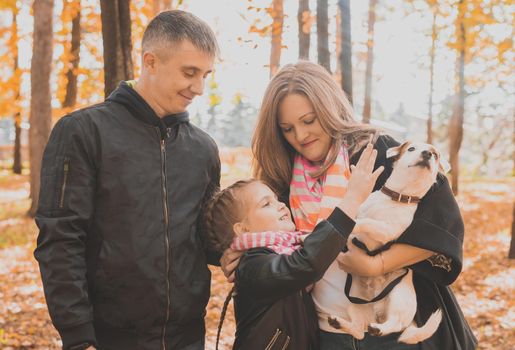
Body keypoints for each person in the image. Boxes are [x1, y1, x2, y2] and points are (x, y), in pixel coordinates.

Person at [239, 61, 477, 350]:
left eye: (309, 120)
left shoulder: (376, 151)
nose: (300, 136)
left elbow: (440, 227)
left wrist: (378, 265)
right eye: (287, 129)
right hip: (326, 332)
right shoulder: (282, 176)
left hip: (395, 331)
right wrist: (240, 252)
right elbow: (265, 238)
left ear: (329, 108)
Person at [34, 11, 221, 350]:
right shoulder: (83, 133)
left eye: (206, 74)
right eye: (189, 72)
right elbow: (61, 241)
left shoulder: (203, 149)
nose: (199, 87)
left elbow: (205, 239)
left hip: (188, 338)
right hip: (108, 338)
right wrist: (78, 336)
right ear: (150, 61)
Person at [204, 145, 383, 350]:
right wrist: (351, 201)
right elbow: (306, 262)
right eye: (266, 204)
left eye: (276, 199)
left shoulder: (281, 251)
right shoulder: (252, 266)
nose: (281, 205)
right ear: (243, 229)